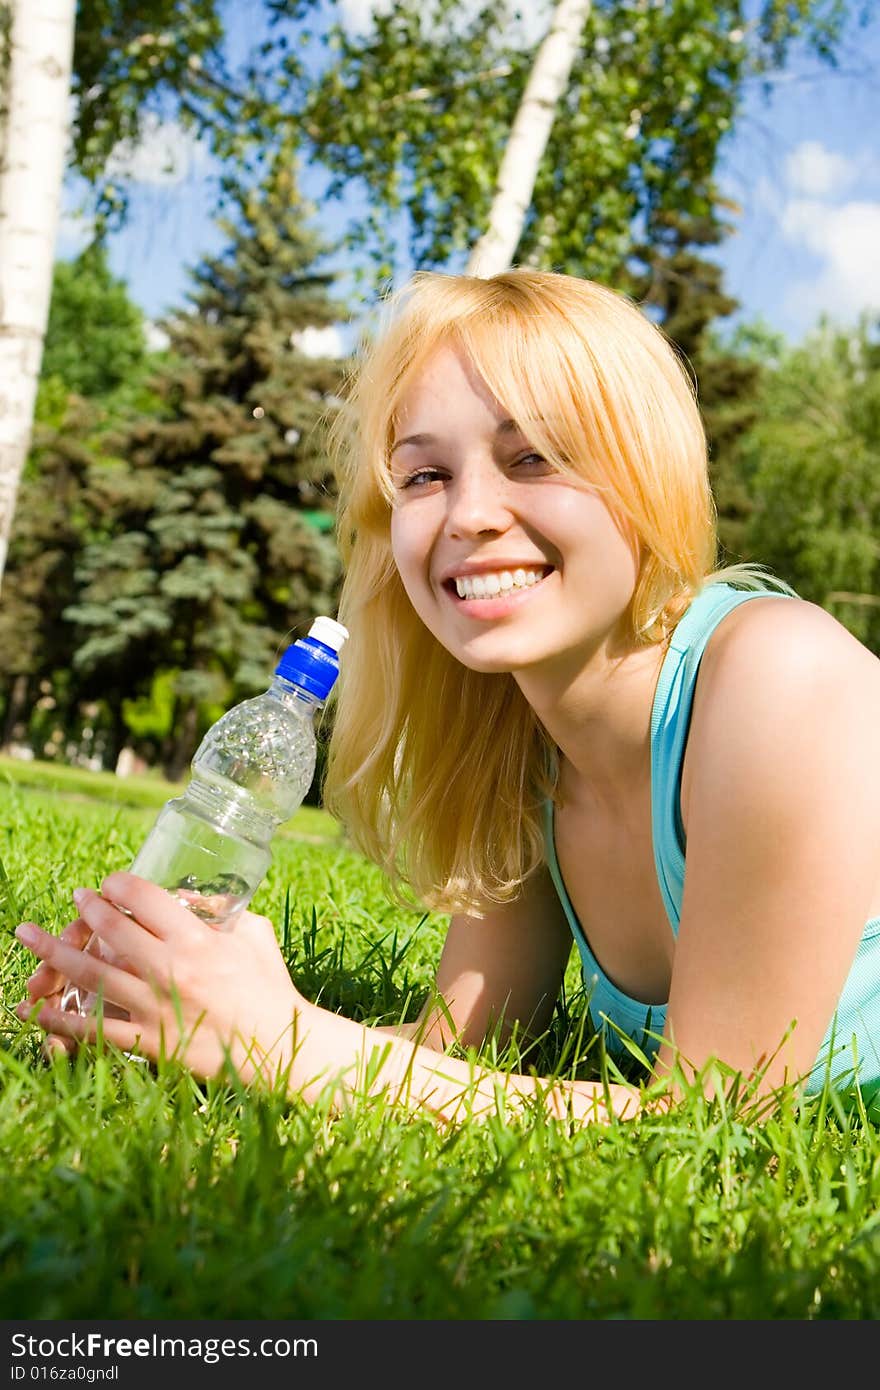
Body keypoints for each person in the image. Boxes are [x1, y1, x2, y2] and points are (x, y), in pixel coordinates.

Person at [15, 268, 880, 1125]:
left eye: (533, 456)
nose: (469, 514)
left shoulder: (781, 678)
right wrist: (179, 1017)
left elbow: (710, 1123)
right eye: (423, 476)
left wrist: (277, 1039)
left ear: (649, 478)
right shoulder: (525, 742)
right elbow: (460, 1055)